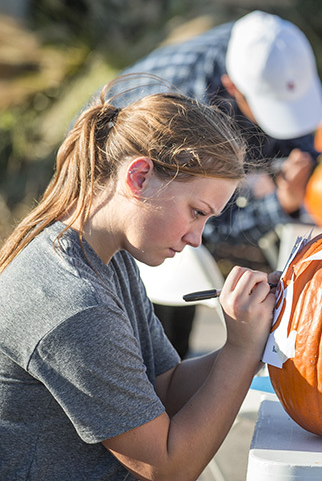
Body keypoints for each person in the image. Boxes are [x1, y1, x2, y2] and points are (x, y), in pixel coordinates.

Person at [0, 78, 277, 479]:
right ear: (139, 177)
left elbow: (163, 387)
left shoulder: (108, 259)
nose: (195, 238)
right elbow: (167, 467)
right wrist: (239, 351)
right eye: (196, 211)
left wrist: (253, 342)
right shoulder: (73, 305)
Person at [107, 10, 322, 357]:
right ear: (233, 87)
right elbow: (206, 229)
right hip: (131, 209)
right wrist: (279, 204)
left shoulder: (268, 52)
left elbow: (301, 137)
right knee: (161, 321)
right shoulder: (191, 118)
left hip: (167, 193)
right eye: (271, 112)